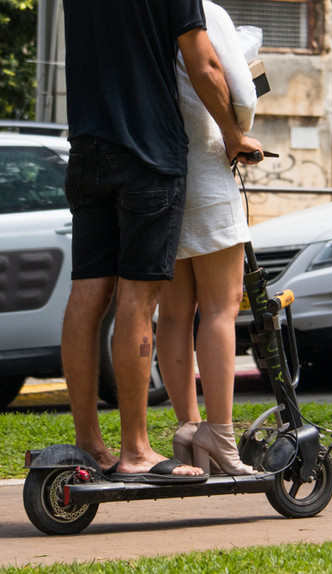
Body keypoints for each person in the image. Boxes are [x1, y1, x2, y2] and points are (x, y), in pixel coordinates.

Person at [61, 0, 263, 483]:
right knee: (138, 296)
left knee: (87, 292)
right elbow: (205, 63)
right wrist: (234, 135)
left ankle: (89, 442)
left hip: (88, 148)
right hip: (148, 155)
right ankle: (135, 450)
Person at [156, 1, 259, 475]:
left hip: (160, 172)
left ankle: (186, 427)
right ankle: (218, 432)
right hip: (207, 167)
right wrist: (241, 131)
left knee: (174, 313)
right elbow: (238, 90)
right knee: (221, 307)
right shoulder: (205, 10)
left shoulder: (139, 14)